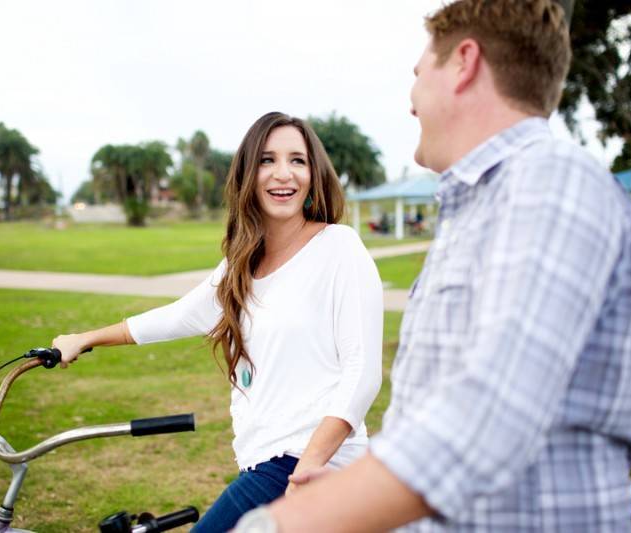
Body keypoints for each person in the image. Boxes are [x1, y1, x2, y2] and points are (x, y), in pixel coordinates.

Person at [234, 1, 631, 531]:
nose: (410, 101)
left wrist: (286, 522)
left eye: (417, 73)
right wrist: (360, 480)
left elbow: (488, 417)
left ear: (464, 62)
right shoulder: (482, 207)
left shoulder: (549, 183)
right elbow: (443, 415)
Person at [51, 111, 383, 532]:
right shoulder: (242, 264)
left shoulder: (338, 247)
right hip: (266, 463)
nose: (284, 173)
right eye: (267, 160)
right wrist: (87, 338)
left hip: (309, 465)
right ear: (248, 174)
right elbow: (180, 316)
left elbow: (363, 372)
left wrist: (308, 467)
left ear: (314, 173)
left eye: (297, 160)